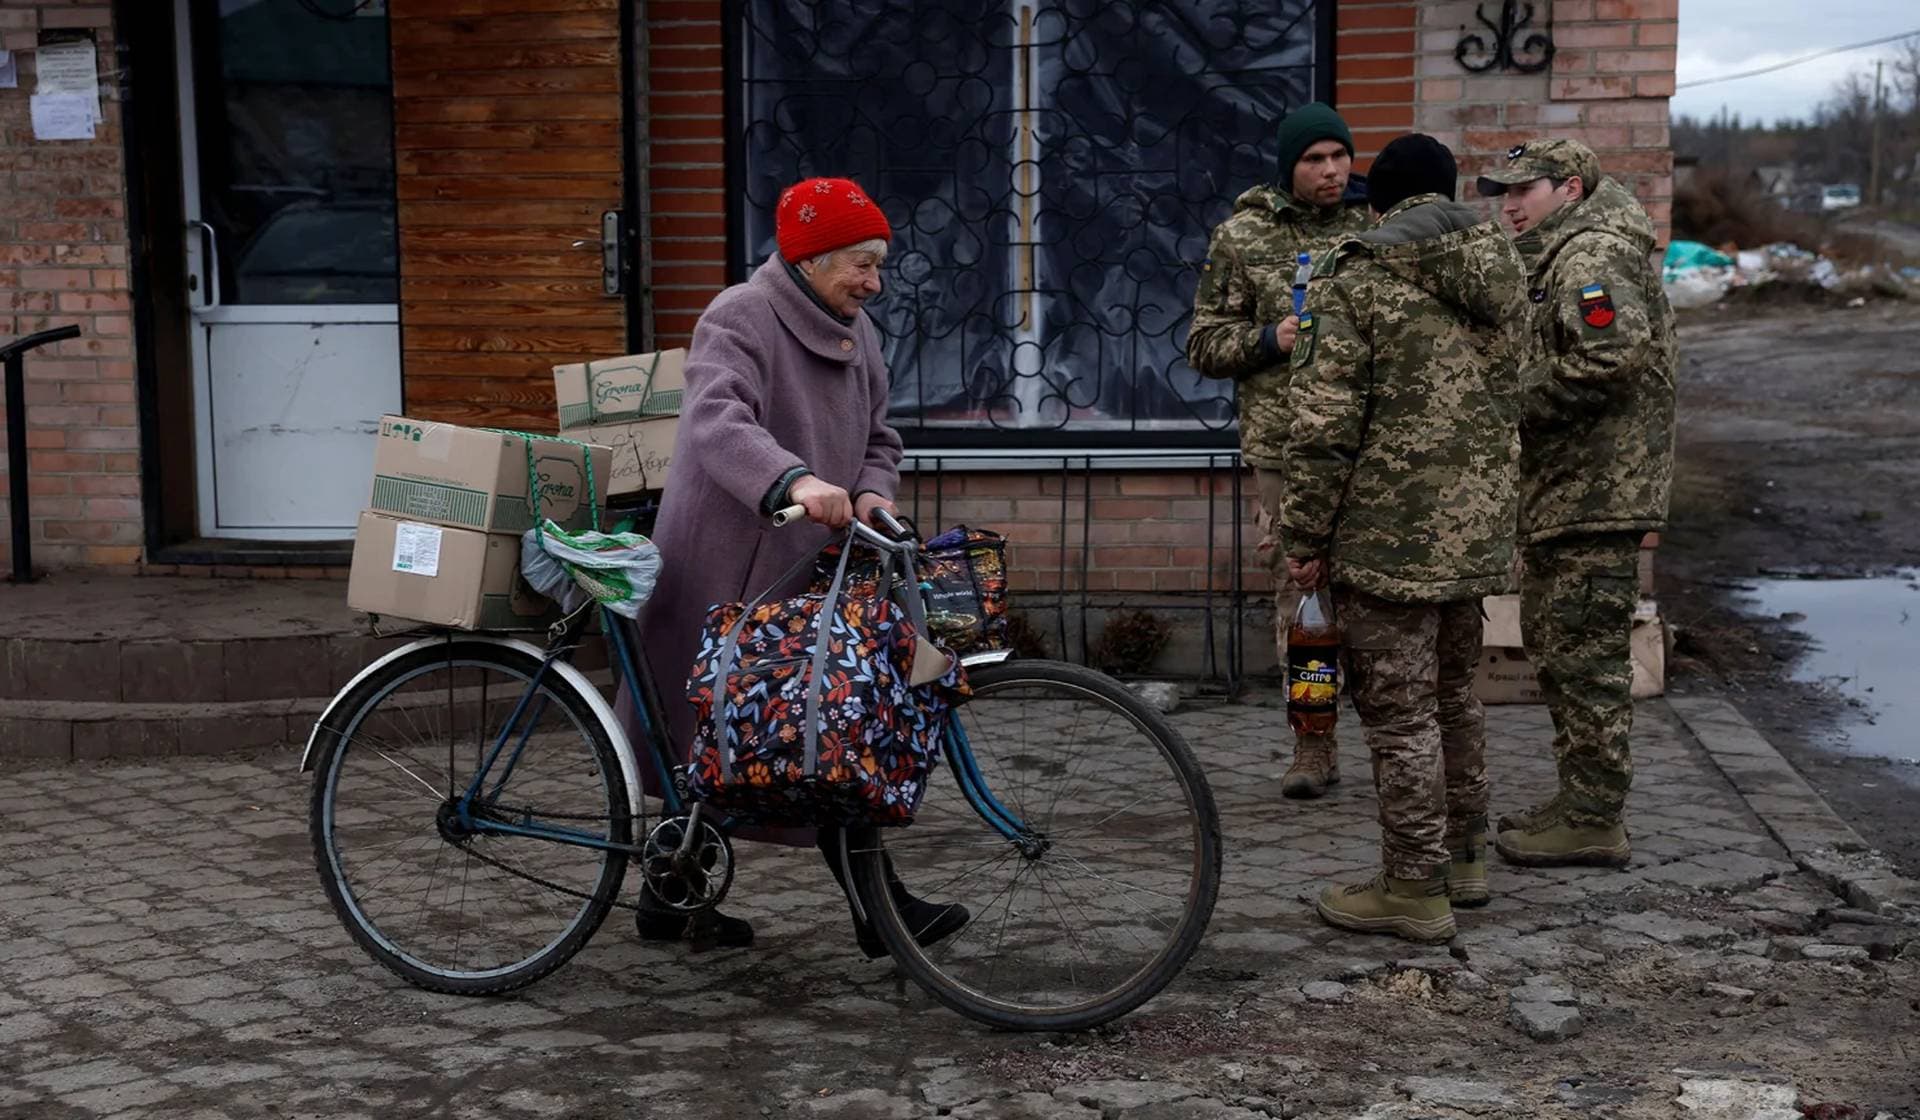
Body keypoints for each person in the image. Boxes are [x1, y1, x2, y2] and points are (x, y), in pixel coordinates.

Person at [627, 176, 966, 954]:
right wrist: (793, 480)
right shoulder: (739, 315)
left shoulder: (860, 331)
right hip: (728, 559)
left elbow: (881, 438)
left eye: (880, 264)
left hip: (811, 564)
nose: (875, 282)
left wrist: (873, 495)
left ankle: (680, 896)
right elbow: (716, 416)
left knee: (818, 726)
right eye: (862, 263)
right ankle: (685, 892)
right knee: (720, 731)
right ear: (810, 257)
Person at [1281, 134, 1527, 943]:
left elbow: (1323, 426)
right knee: (1456, 695)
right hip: (1474, 533)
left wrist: (1305, 531)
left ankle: (1413, 887)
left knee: (1398, 717)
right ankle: (1466, 860)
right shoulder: (1503, 269)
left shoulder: (1359, 276)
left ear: (1379, 203)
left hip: (1388, 537)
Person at [1474, 140, 1678, 869]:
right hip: (1573, 489)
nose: (1508, 205)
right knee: (1560, 651)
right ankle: (1579, 799)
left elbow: (1607, 358)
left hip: (1596, 491)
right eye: (1501, 193)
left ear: (1568, 187)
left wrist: (1505, 401)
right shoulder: (1567, 253)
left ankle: (1594, 818)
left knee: (1586, 657)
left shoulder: (1591, 254)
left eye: (1521, 190)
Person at [1188, 102, 1371, 800]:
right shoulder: (1244, 236)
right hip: (1286, 447)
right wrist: (1271, 339)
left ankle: (1394, 737)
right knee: (1306, 598)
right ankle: (1314, 744)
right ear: (1289, 168)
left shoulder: (1374, 228)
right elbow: (1203, 342)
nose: (1330, 171)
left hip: (1370, 442)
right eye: (1314, 160)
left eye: (1338, 156)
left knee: (1379, 598)